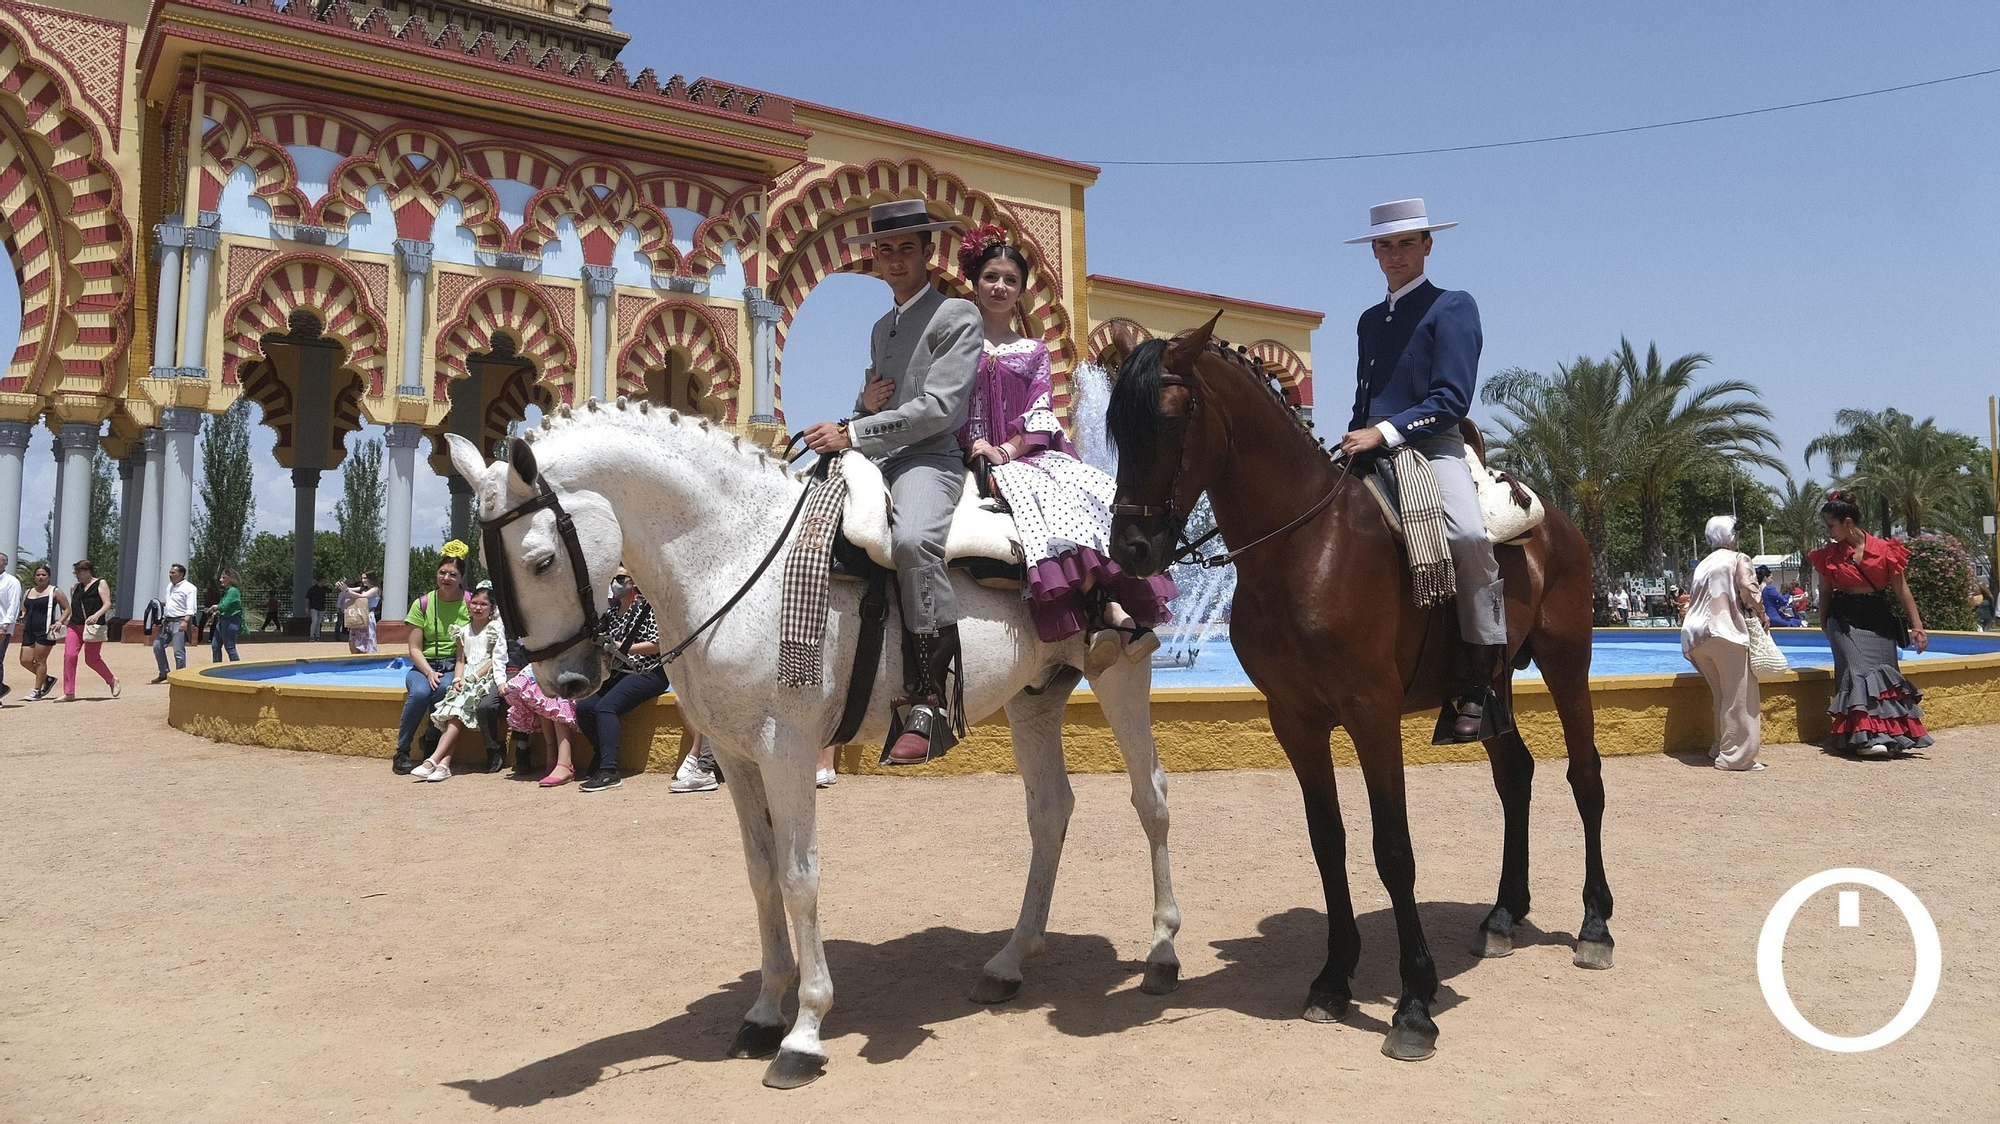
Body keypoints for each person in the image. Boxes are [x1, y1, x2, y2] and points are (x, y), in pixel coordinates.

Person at [801, 198, 983, 766]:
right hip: (877, 456)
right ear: (875, 259)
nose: (896, 259)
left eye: (908, 248)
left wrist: (853, 431)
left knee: (911, 542)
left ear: (929, 254)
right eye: (886, 250)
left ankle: (931, 699)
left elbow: (939, 409)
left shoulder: (958, 315)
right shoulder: (883, 327)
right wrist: (859, 408)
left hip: (928, 458)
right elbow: (878, 398)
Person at [953, 225, 1177, 673]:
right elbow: (945, 403)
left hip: (1023, 453)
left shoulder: (1034, 350)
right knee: (1042, 501)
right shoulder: (955, 345)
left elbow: (1040, 410)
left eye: (1010, 280)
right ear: (974, 283)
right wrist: (971, 444)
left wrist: (1006, 451)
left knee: (1094, 491)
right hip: (970, 454)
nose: (1000, 287)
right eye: (991, 277)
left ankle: (1104, 606)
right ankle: (1105, 611)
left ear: (1021, 292)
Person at [1336, 198, 1506, 742]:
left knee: (1467, 534)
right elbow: (1367, 396)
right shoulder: (1368, 320)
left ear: (1428, 245)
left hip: (1432, 448)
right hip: (1367, 449)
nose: (1394, 254)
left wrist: (1384, 432)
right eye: (1384, 245)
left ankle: (1481, 675)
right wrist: (1356, 438)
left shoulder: (1453, 306)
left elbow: (1451, 398)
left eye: (1406, 243)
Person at [1807, 489, 1932, 757]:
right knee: (1855, 668)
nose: (1828, 531)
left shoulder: (1886, 551)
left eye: (1831, 526)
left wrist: (1917, 626)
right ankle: (1863, 738)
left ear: (1848, 523)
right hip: (1843, 617)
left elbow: (1902, 591)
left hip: (1877, 617)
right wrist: (1824, 623)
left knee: (1885, 675)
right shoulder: (1828, 554)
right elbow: (1826, 591)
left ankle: (1885, 735)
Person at [573, 567, 671, 792]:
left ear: (633, 581)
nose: (615, 583)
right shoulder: (612, 611)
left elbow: (659, 644)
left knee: (606, 707)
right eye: (612, 579)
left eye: (619, 578)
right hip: (619, 672)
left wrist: (623, 648)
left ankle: (609, 771)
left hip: (649, 671)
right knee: (585, 707)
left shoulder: (648, 607)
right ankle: (601, 754)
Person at [1682, 517, 1766, 771]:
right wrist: (1761, 612)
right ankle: (1736, 758)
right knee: (1740, 697)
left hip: (1695, 636)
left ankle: (1719, 746)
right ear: (1730, 536)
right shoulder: (1738, 558)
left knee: (1721, 694)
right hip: (1725, 631)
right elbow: (1748, 589)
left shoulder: (1702, 564)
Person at [410, 587, 508, 782]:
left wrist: (473, 678)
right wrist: (457, 679)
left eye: (483, 604)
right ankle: (443, 764)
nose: (478, 607)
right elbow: (460, 660)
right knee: (454, 713)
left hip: (484, 677)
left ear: (492, 608)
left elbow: (494, 659)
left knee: (456, 714)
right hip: (465, 676)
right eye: (475, 603)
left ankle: (435, 760)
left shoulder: (496, 629)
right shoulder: (462, 631)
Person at [393, 546, 471, 774]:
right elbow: (414, 647)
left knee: (445, 688)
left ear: (461, 578)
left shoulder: (469, 602)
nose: (446, 578)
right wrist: (428, 672)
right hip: (424, 665)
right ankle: (402, 750)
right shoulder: (423, 603)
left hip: (455, 665)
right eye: (442, 572)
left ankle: (431, 738)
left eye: (453, 574)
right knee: (419, 693)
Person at [504, 652, 582, 787]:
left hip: (570, 658)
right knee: (540, 695)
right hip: (547, 656)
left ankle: (565, 762)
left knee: (559, 692)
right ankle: (551, 754)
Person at [61, 558, 118, 701]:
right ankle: (69, 692)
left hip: (93, 627)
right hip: (75, 626)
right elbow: (74, 608)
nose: (77, 575)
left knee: (92, 659)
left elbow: (107, 604)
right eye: (76, 573)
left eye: (79, 572)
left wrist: (96, 615)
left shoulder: (101, 583)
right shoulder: (75, 588)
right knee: (69, 656)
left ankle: (111, 680)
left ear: (87, 571)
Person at [19, 564, 65, 700]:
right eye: (38, 575)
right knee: (25, 660)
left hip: (45, 630)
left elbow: (67, 608)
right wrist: (22, 615)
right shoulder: (28, 592)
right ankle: (47, 679)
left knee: (40, 661)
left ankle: (37, 690)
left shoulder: (55, 591)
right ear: (34, 577)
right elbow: (24, 608)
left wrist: (59, 621)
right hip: (29, 630)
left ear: (49, 577)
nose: (40, 577)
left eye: (43, 575)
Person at [151, 563, 199, 683]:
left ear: (181, 574)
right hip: (167, 621)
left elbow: (191, 607)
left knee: (178, 651)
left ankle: (180, 675)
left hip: (180, 621)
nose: (170, 575)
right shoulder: (170, 586)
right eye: (170, 572)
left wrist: (185, 621)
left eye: (173, 573)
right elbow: (169, 603)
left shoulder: (190, 588)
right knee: (157, 646)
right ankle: (164, 673)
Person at [205, 569, 245, 662]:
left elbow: (224, 606)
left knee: (230, 647)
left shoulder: (233, 591)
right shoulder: (228, 591)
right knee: (215, 645)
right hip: (223, 621)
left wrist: (214, 607)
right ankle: (217, 667)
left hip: (231, 621)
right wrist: (216, 613)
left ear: (230, 579)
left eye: (223, 577)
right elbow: (225, 607)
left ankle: (237, 669)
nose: (220, 580)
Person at [338, 573, 381, 654]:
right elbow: (350, 589)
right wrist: (342, 586)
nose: (363, 580)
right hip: (358, 615)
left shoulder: (375, 589)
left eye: (365, 578)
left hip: (367, 617)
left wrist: (346, 590)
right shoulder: (363, 589)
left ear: (371, 578)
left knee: (366, 641)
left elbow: (362, 596)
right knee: (353, 640)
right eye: (362, 578)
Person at [0, 553, 19, 700]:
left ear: (5, 563)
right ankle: (1, 688)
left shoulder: (12, 582)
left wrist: (5, 626)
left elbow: (14, 605)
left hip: (2, 626)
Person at [305, 576, 328, 640]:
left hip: (321, 607)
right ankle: (312, 635)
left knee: (319, 622)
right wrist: (307, 606)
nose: (325, 582)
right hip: (313, 607)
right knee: (314, 621)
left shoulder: (324, 588)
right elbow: (307, 598)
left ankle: (317, 636)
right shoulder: (312, 589)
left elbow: (331, 590)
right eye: (324, 581)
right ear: (320, 581)